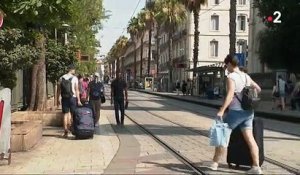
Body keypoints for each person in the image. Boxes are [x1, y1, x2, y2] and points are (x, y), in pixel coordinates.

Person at [207, 55, 263, 174]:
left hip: (236, 112)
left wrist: (222, 110)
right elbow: (258, 88)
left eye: (226, 65)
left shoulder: (231, 77)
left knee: (222, 137)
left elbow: (230, 95)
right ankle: (256, 166)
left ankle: (215, 163)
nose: (225, 67)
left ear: (229, 64)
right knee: (250, 139)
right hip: (248, 112)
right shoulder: (246, 76)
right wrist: (247, 96)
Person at [57, 64, 82, 138]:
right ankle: (72, 129)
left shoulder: (61, 78)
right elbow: (77, 90)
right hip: (72, 98)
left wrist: (58, 98)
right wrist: (79, 100)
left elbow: (58, 90)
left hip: (64, 98)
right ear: (71, 70)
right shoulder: (75, 78)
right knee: (72, 114)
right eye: (74, 69)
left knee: (65, 114)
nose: (74, 70)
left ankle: (65, 131)